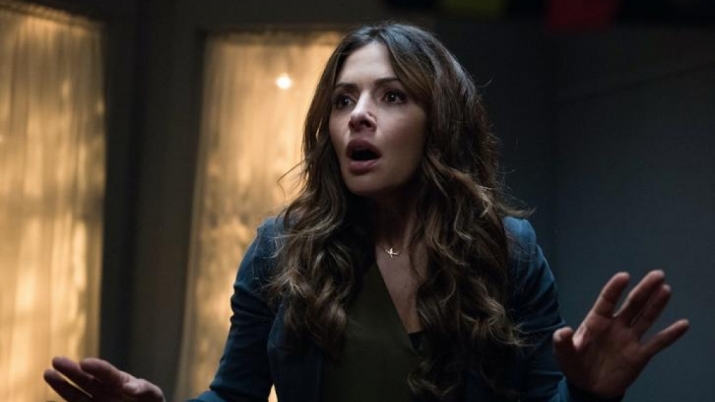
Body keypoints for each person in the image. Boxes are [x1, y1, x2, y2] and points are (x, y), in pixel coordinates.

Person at [44, 22, 689, 402]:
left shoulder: (507, 250)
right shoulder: (280, 249)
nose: (358, 114)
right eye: (343, 99)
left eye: (392, 96)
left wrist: (590, 393)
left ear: (439, 121)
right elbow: (233, 396)